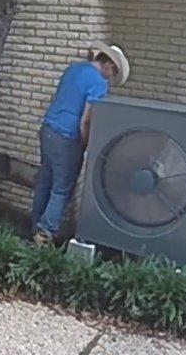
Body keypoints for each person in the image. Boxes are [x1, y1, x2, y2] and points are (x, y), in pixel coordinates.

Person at [31, 41, 130, 244]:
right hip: (67, 137)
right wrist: (85, 145)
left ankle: (34, 225)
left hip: (48, 129)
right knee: (61, 188)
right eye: (113, 72)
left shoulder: (73, 69)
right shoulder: (99, 83)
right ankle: (44, 235)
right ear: (109, 64)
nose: (111, 77)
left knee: (45, 182)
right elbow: (86, 119)